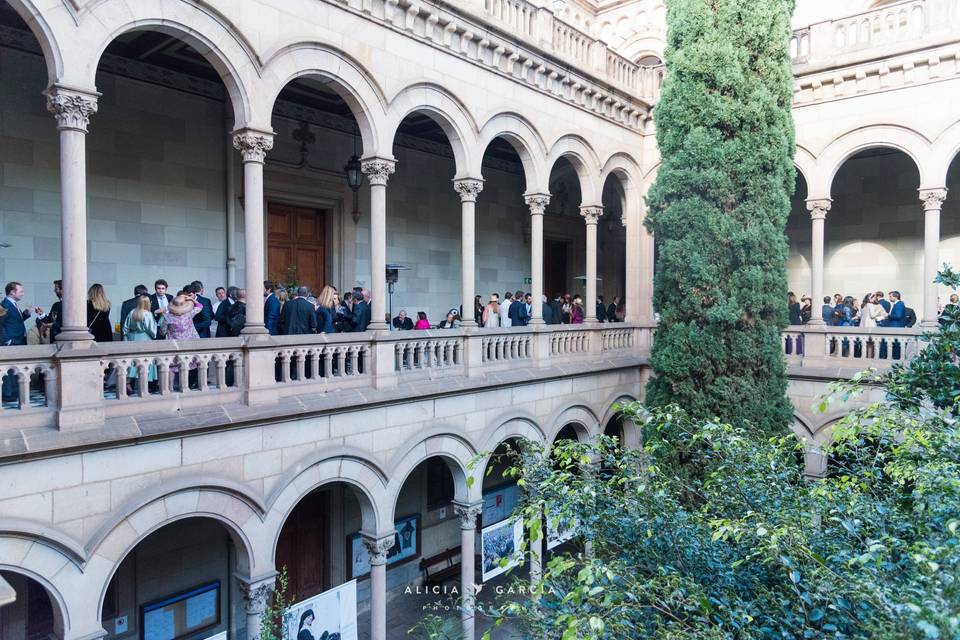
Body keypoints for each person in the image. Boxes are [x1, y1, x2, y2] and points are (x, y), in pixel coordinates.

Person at [122, 295, 158, 393]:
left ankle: (128, 383)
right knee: (145, 362)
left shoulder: (132, 312)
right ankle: (143, 387)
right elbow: (152, 331)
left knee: (132, 362)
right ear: (147, 303)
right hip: (144, 339)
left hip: (132, 338)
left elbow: (125, 328)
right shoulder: (148, 314)